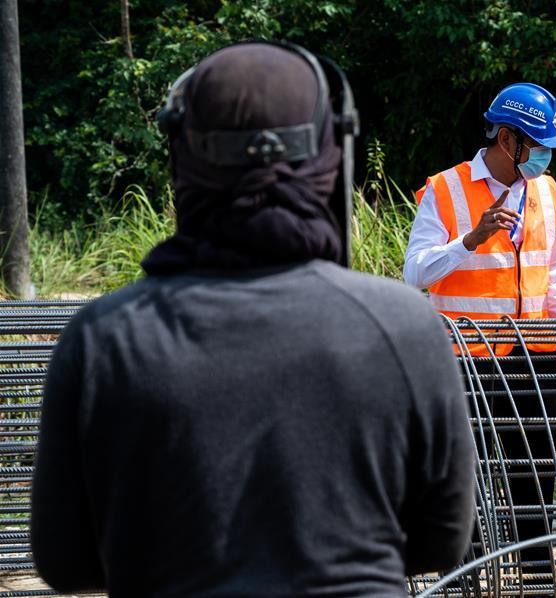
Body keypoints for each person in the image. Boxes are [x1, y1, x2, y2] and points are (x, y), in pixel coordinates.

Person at [31, 42, 476, 597]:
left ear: (183, 162)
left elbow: (64, 562)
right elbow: (441, 543)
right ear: (332, 156)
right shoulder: (405, 326)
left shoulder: (103, 338)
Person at [403, 83, 556, 579]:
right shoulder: (446, 190)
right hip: (466, 362)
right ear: (507, 139)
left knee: (534, 482)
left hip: (533, 359)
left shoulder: (545, 189)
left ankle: (538, 582)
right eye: (537, 145)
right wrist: (471, 239)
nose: (544, 157)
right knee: (466, 483)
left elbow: (555, 273)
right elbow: (415, 273)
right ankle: (466, 583)